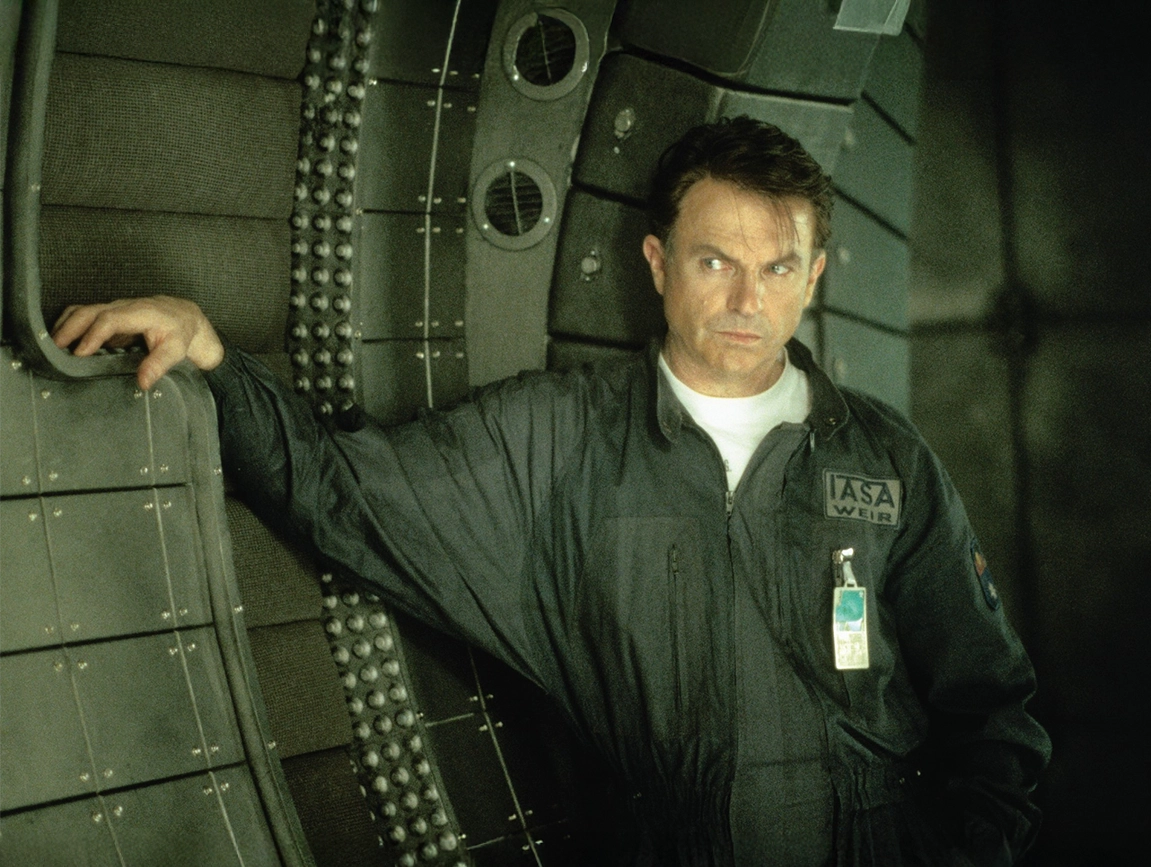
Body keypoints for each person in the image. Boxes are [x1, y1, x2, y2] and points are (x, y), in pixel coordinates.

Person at [53, 117, 1050, 866]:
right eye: (715, 261)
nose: (748, 300)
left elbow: (992, 706)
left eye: (777, 267)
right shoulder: (554, 440)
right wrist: (213, 358)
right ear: (658, 263)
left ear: (814, 275)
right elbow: (347, 497)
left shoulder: (883, 459)